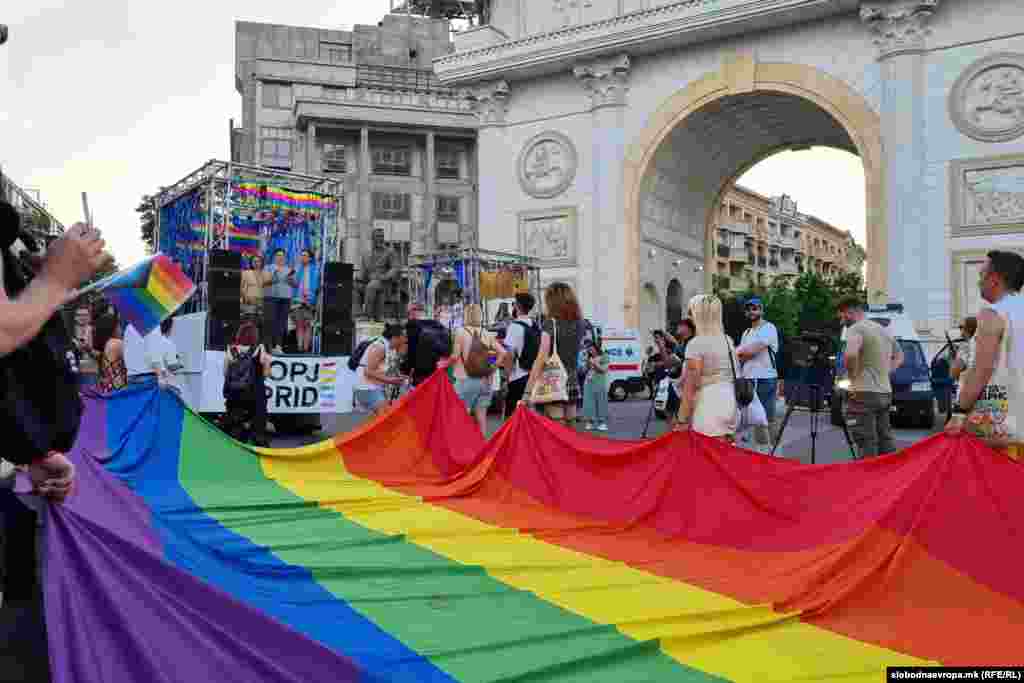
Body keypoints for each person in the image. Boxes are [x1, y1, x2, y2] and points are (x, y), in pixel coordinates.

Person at [946, 250, 1024, 458]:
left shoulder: (993, 314)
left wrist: (959, 412)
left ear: (995, 280)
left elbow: (981, 369)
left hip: (999, 429)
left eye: (981, 276)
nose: (978, 282)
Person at [837, 295, 904, 458]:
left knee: (866, 442)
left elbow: (851, 354)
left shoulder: (856, 328)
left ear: (850, 312)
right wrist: (885, 371)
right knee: (885, 440)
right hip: (884, 392)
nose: (841, 322)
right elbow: (900, 356)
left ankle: (868, 479)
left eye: (841, 317)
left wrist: (852, 380)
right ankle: (889, 477)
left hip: (863, 393)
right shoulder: (883, 330)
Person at [673, 295, 739, 440]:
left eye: (691, 312)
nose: (689, 317)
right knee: (725, 455)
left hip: (708, 405)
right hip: (729, 402)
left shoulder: (696, 344)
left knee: (707, 457)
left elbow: (691, 385)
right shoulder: (727, 340)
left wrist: (681, 420)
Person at [523, 282, 584, 425]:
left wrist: (527, 392)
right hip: (572, 379)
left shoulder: (550, 324)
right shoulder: (580, 323)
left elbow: (540, 358)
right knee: (571, 430)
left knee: (556, 429)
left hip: (553, 380)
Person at [736, 297, 781, 452]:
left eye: (755, 308)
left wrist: (741, 352)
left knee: (768, 418)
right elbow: (742, 356)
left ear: (761, 310)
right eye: (748, 309)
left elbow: (751, 351)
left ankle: (774, 451)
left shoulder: (769, 328)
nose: (751, 311)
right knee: (753, 418)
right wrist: (743, 354)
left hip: (765, 378)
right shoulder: (747, 332)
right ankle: (761, 451)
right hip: (748, 379)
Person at [451, 303, 502, 433]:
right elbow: (503, 353)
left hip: (464, 380)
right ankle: (483, 449)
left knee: (461, 418)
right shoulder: (486, 333)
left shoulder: (460, 332)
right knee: (481, 418)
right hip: (484, 381)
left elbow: (455, 357)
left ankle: (465, 449)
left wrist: (444, 363)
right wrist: (493, 368)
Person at [222, 322, 272, 447]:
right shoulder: (259, 349)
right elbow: (266, 374)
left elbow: (225, 373)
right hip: (254, 394)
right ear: (255, 336)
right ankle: (258, 438)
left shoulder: (231, 350)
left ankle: (236, 440)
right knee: (259, 419)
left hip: (234, 394)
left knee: (235, 423)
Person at [354, 323, 408, 415]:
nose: (406, 339)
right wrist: (390, 380)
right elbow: (368, 371)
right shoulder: (380, 347)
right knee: (386, 418)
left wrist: (399, 377)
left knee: (384, 419)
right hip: (367, 388)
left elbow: (379, 370)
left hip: (371, 388)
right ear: (395, 337)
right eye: (404, 336)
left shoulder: (386, 347)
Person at [502, 292, 539, 418]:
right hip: (534, 375)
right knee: (531, 416)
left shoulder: (514, 327)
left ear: (517, 306)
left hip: (518, 376)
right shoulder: (535, 326)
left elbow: (510, 355)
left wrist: (506, 377)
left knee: (512, 418)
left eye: (513, 304)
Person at [402, 302, 451, 387]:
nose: (408, 316)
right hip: (437, 373)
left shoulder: (412, 326)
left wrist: (406, 370)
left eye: (408, 313)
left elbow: (411, 351)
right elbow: (447, 351)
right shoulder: (442, 327)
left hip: (420, 374)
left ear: (413, 312)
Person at [361, 229, 400, 320]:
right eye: (378, 236)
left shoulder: (390, 252)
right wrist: (358, 279)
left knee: (372, 286)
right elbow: (363, 273)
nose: (380, 239)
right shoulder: (366, 254)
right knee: (351, 287)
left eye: (382, 236)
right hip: (369, 281)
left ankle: (367, 315)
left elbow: (395, 268)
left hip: (384, 282)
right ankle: (356, 314)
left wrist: (384, 277)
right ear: (373, 238)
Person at [666, 318, 696, 426]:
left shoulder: (693, 342)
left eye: (680, 325)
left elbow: (689, 362)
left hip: (683, 385)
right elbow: (670, 362)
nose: (678, 327)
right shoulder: (681, 343)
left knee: (682, 419)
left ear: (688, 328)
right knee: (671, 414)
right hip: (675, 382)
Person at [288, 249, 319, 354]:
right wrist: (290, 279)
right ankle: (299, 348)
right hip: (298, 300)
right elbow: (294, 284)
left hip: (310, 301)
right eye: (301, 256)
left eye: (305, 256)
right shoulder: (297, 269)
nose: (303, 257)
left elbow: (318, 286)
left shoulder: (315, 269)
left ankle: (306, 349)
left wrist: (311, 298)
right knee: (299, 325)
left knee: (308, 325)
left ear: (310, 258)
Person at [263, 249, 292, 353]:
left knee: (282, 323)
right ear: (274, 257)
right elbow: (264, 282)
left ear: (285, 258)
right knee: (271, 322)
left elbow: (293, 284)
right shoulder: (268, 267)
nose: (280, 257)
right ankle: (269, 347)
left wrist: (291, 280)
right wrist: (274, 275)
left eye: (282, 256)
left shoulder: (289, 269)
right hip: (271, 298)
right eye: (278, 255)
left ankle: (278, 346)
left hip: (285, 298)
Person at [92, 311, 127, 393]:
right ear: (112, 328)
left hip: (109, 388)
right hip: (119, 388)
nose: (121, 329)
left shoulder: (107, 343)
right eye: (118, 325)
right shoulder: (116, 343)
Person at [150, 317, 184, 397]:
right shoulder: (168, 343)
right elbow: (172, 366)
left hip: (153, 378)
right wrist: (181, 364)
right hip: (165, 381)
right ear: (170, 328)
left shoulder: (153, 340)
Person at [582, 338, 610, 431]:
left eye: (591, 348)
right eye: (588, 349)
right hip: (589, 382)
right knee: (588, 402)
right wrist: (586, 363)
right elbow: (584, 370)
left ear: (596, 348)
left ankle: (602, 422)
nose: (590, 351)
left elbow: (604, 370)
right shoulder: (589, 358)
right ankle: (590, 422)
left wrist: (594, 364)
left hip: (600, 382)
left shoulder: (604, 356)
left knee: (601, 402)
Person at [240, 254, 267, 322]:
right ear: (251, 263)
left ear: (261, 262)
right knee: (251, 322)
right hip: (250, 302)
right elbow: (241, 288)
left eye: (258, 261)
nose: (256, 263)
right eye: (254, 261)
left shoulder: (265, 273)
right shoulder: (245, 273)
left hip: (262, 303)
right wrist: (246, 298)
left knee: (261, 324)